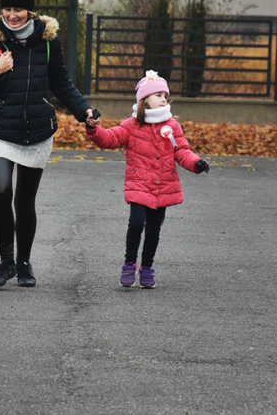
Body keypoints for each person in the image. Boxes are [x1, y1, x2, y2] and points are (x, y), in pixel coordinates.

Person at [0, 0, 93, 287]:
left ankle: (24, 263)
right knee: (1, 190)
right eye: (7, 8)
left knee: (24, 200)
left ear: (30, 11)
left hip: (36, 129)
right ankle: (5, 262)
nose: (12, 15)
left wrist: (83, 110)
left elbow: (61, 81)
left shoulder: (48, 41)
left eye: (19, 9)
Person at [85, 70, 210, 288]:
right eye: (158, 95)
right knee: (135, 224)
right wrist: (94, 129)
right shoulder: (131, 125)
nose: (163, 99)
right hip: (139, 184)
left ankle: (147, 268)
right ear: (145, 100)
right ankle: (129, 264)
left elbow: (181, 151)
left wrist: (196, 163)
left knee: (153, 230)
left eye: (165, 95)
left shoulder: (171, 126)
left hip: (163, 187)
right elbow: (111, 138)